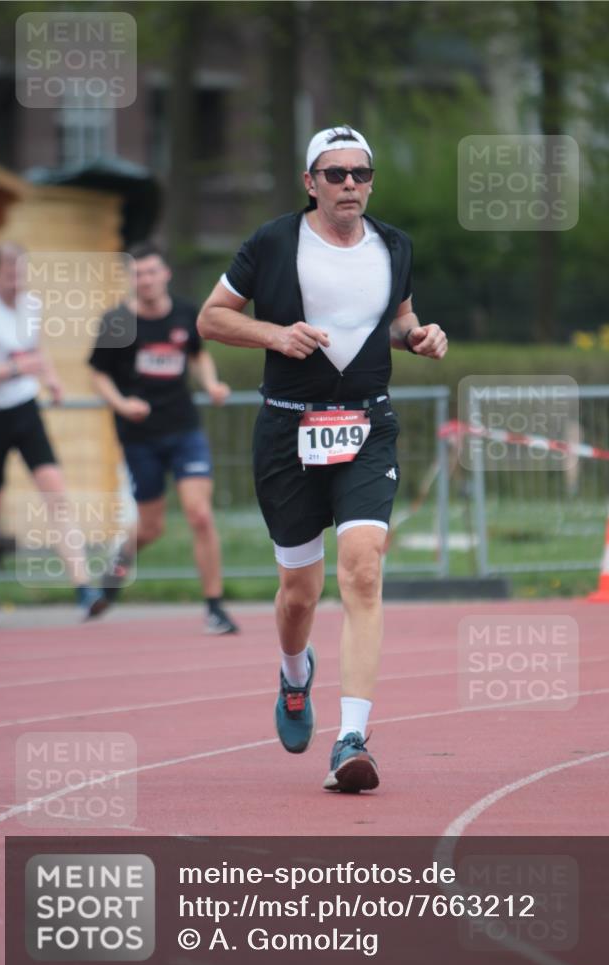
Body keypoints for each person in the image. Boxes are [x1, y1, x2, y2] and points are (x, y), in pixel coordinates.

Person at [197, 125, 447, 791]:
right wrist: (274, 334)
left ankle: (351, 738)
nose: (348, 186)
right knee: (298, 596)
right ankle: (292, 672)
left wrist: (418, 336)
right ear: (310, 182)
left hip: (367, 426)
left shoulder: (394, 245)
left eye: (359, 174)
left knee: (362, 571)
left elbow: (395, 319)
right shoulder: (274, 242)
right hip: (287, 433)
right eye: (334, 174)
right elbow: (212, 319)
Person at [89, 242, 239, 635]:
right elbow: (98, 373)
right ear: (131, 279)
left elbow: (197, 354)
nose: (147, 280)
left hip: (184, 429)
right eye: (139, 274)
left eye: (153, 272)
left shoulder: (187, 312)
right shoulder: (117, 322)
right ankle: (118, 566)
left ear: (166, 274)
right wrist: (121, 404)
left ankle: (214, 607)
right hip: (139, 436)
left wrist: (211, 384)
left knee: (200, 514)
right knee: (151, 526)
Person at [0, 242, 107, 623]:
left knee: (57, 493)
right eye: (9, 271)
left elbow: (38, 351)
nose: (16, 278)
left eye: (21, 270)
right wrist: (16, 370)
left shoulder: (32, 305)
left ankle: (85, 590)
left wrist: (52, 380)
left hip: (25, 409)